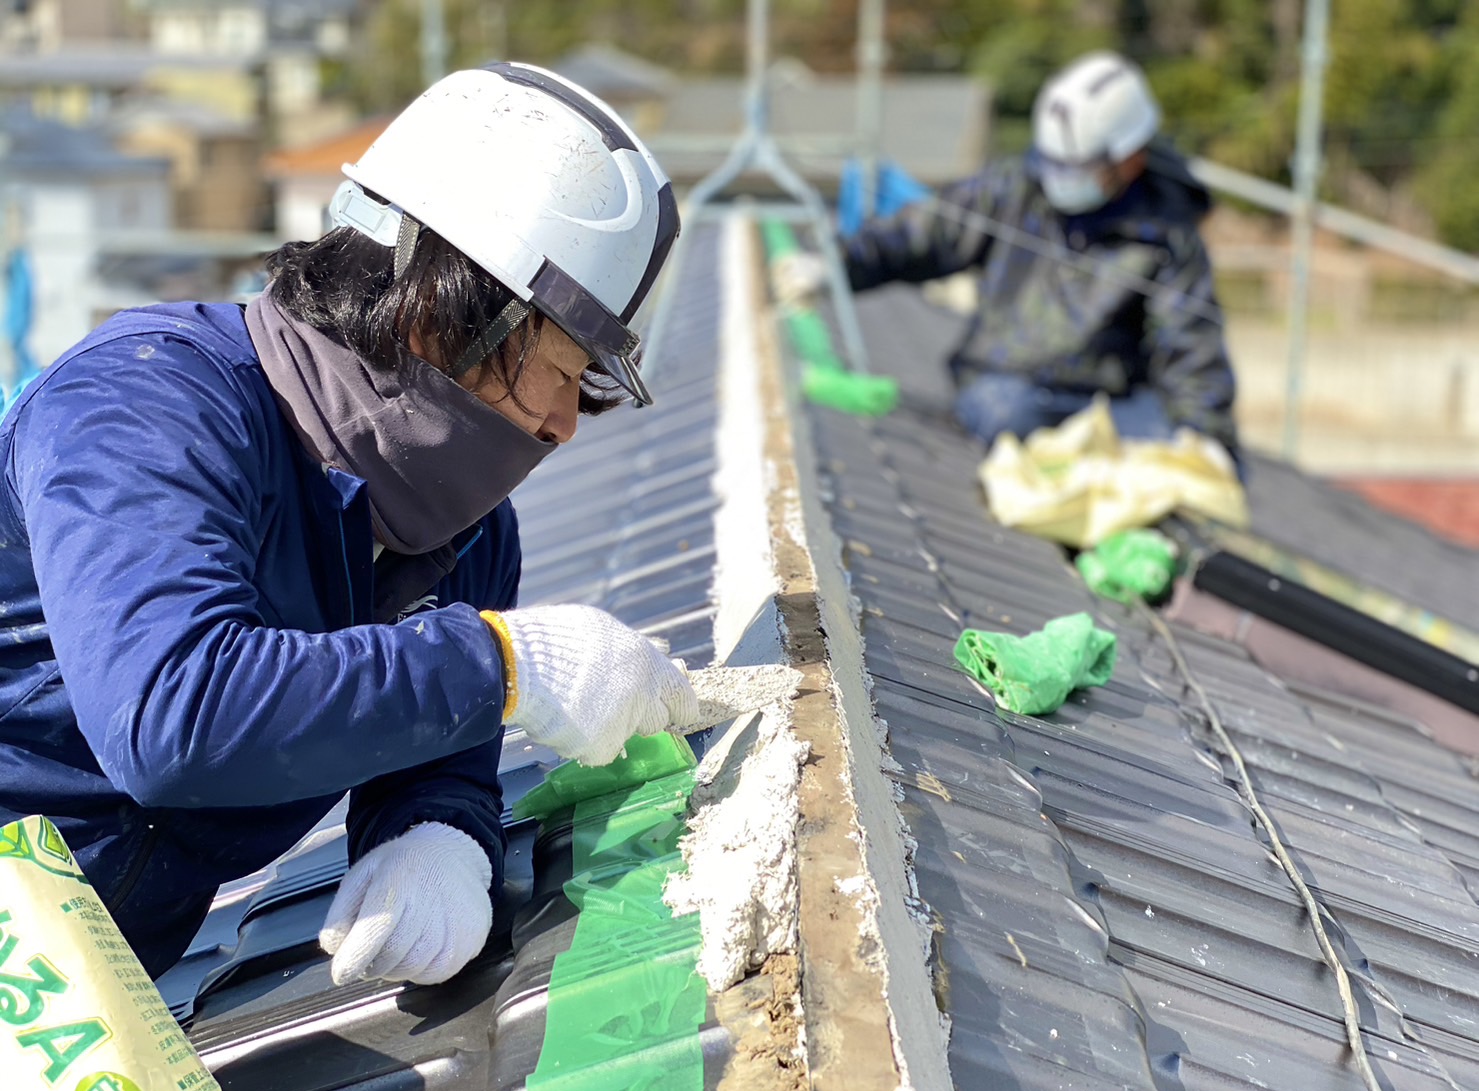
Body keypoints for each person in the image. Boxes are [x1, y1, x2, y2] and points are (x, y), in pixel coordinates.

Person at [0, 63, 700, 990]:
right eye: (563, 370)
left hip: (68, 1000)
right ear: (441, 314)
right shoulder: (144, 405)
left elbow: (433, 746)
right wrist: (500, 668)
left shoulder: (464, 530)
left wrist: (435, 829)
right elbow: (174, 714)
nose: (564, 423)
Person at [778, 50, 1240, 463]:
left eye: (1079, 168)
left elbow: (1190, 343)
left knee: (1175, 451)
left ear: (1131, 158)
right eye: (1053, 162)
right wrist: (833, 265)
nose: (1060, 178)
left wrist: (1204, 436)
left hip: (1107, 405)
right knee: (1010, 416)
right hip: (1005, 388)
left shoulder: (1165, 235)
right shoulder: (1013, 190)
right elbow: (925, 233)